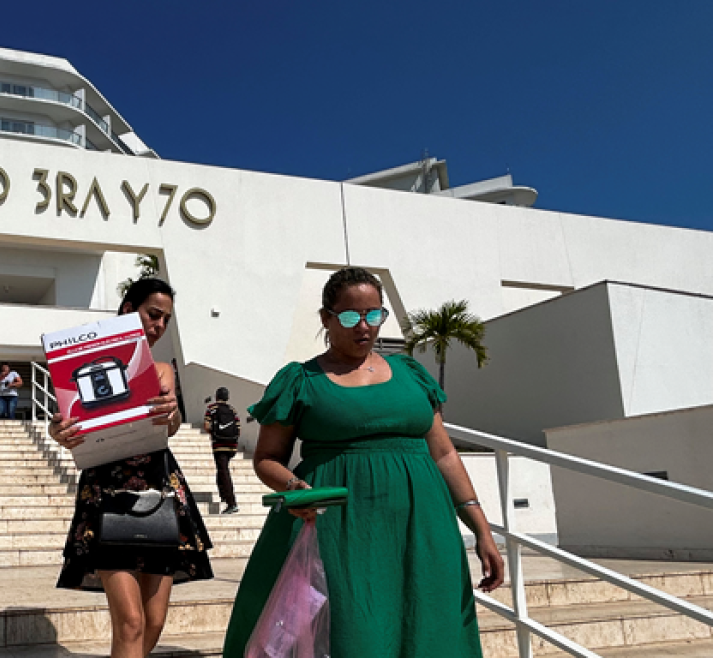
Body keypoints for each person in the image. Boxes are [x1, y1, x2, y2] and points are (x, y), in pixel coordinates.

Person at [222, 267, 504, 657]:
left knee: (426, 623)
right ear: (326, 318)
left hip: (423, 527)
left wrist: (481, 528)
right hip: (338, 527)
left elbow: (444, 453)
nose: (365, 327)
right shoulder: (300, 380)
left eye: (375, 315)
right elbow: (268, 459)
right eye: (351, 316)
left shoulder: (411, 374)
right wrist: (294, 489)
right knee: (354, 631)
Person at [50, 278, 213, 658]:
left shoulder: (161, 371)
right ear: (127, 310)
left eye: (165, 320)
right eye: (152, 314)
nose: (158, 326)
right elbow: (64, 419)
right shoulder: (81, 363)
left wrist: (170, 414)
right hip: (106, 494)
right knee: (131, 621)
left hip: (157, 491)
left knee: (153, 620)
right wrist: (58, 430)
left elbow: (170, 426)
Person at [202, 386, 240, 515]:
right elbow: (238, 427)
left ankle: (231, 503)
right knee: (222, 469)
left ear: (216, 396)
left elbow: (206, 426)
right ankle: (223, 494)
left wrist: (214, 434)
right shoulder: (232, 410)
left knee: (223, 471)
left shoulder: (212, 408)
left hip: (219, 444)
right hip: (232, 444)